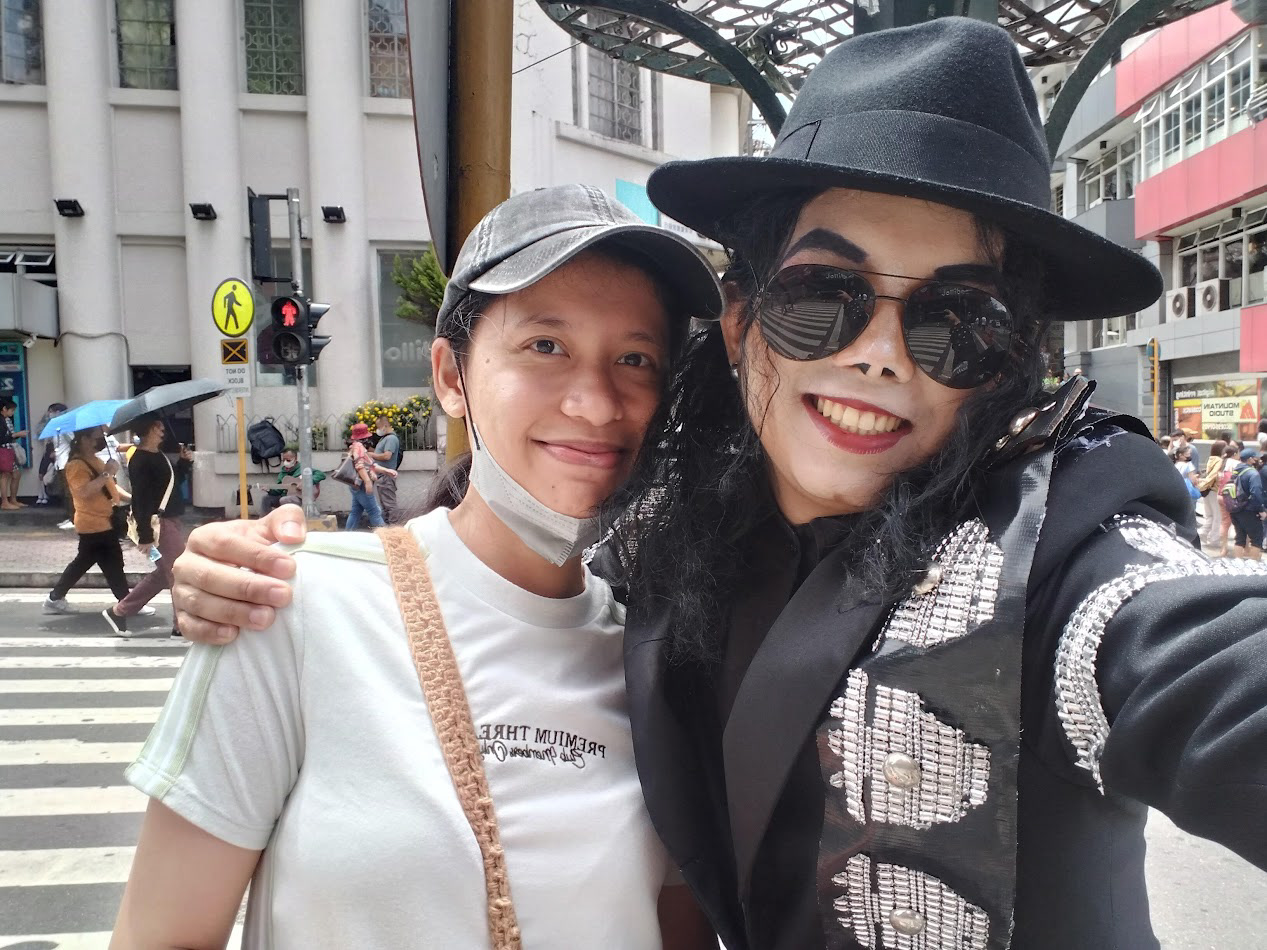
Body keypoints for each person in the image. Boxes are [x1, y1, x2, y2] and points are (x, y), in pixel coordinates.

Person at [166, 20, 1267, 949]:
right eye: (823, 297)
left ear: (1007, 359)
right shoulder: (667, 549)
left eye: (956, 319)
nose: (880, 356)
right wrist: (264, 571)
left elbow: (1190, 657)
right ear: (740, 320)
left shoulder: (1058, 545)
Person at [110, 184, 723, 948]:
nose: (596, 403)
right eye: (545, 345)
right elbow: (163, 935)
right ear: (450, 376)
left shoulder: (662, 657)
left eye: (635, 358)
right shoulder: (291, 606)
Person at [103, 415, 193, 637]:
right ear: (150, 429)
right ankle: (180, 625)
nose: (163, 429)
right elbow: (140, 499)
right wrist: (145, 535)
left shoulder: (157, 454)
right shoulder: (140, 459)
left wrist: (183, 463)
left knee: (164, 573)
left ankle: (119, 611)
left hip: (169, 521)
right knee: (178, 572)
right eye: (158, 425)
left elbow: (170, 486)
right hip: (158, 526)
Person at [43, 426, 131, 615]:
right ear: (84, 439)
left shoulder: (96, 460)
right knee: (112, 562)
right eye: (96, 437)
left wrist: (131, 498)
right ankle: (127, 603)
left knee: (90, 563)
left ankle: (55, 597)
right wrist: (107, 473)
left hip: (105, 521)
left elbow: (110, 487)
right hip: (93, 523)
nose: (100, 441)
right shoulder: (76, 465)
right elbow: (83, 492)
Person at [340, 422, 395, 530]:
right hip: (362, 485)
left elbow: (370, 465)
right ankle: (384, 536)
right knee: (374, 511)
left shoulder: (355, 447)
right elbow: (360, 465)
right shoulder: (359, 447)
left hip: (356, 484)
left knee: (356, 511)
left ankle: (347, 535)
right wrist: (367, 481)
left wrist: (386, 470)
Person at [258, 446, 323, 515]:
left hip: (301, 498)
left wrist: (305, 483)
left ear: (295, 459)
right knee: (266, 499)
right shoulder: (282, 473)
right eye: (283, 460)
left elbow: (321, 474)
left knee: (284, 500)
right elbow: (279, 490)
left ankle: (289, 519)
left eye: (288, 460)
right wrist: (270, 490)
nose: (285, 462)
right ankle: (265, 519)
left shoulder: (303, 469)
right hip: (285, 496)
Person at [1227, 447, 1266, 560]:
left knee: (1240, 538)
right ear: (1250, 459)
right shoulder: (1253, 474)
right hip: (1249, 510)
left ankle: (1238, 563)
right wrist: (1261, 510)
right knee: (1257, 538)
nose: (1258, 460)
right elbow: (1256, 493)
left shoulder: (1236, 471)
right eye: (1256, 458)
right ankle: (1253, 565)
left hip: (1234, 508)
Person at [370, 412, 402, 524]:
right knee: (385, 505)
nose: (378, 430)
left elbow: (387, 456)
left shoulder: (391, 439)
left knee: (389, 504)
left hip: (386, 476)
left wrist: (371, 455)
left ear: (384, 426)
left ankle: (394, 526)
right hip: (382, 476)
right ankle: (389, 526)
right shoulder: (384, 439)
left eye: (378, 427)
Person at [1197, 438, 1229, 549]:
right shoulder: (1219, 460)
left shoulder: (1211, 459)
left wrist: (1203, 485)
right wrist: (1205, 484)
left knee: (1210, 515)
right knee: (1217, 516)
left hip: (1207, 490)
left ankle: (1203, 533)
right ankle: (1214, 539)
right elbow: (1214, 474)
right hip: (1214, 490)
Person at [0, 396, 27, 509]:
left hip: (8, 449)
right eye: (12, 410)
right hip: (3, 450)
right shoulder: (1, 420)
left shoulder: (5, 419)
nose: (13, 413)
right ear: (4, 409)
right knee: (5, 474)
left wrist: (15, 435)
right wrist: (16, 435)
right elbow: (2, 438)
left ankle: (12, 499)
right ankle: (5, 502)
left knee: (15, 474)